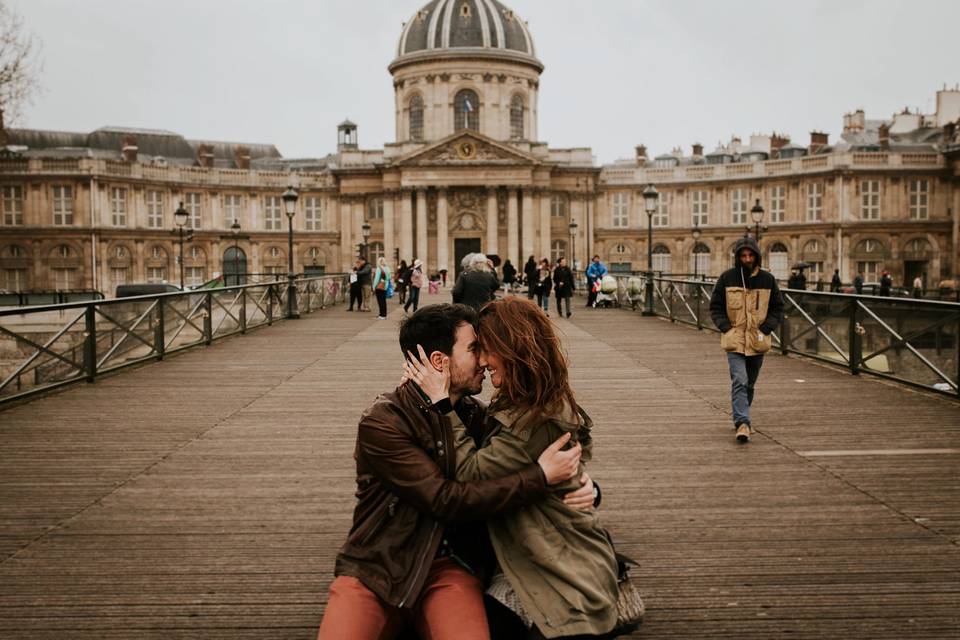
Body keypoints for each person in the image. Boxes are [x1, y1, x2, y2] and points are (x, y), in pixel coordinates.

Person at [316, 304, 594, 640]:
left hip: (450, 566)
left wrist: (584, 485)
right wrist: (540, 478)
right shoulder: (384, 422)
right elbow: (444, 499)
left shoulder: (474, 415)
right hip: (377, 567)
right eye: (475, 348)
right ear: (439, 362)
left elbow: (526, 447)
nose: (484, 360)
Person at [407, 297, 622, 639]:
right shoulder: (525, 397)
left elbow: (472, 473)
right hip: (530, 546)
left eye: (486, 349)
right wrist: (583, 483)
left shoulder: (535, 414)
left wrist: (442, 406)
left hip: (556, 566)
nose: (482, 360)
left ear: (513, 349)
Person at [709, 236, 784, 443]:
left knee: (749, 384)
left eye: (750, 255)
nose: (747, 258)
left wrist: (767, 328)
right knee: (739, 380)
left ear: (756, 256)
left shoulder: (768, 280)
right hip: (735, 340)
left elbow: (778, 307)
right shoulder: (727, 278)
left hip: (758, 340)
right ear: (738, 257)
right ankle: (742, 423)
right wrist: (726, 328)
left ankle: (742, 416)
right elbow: (715, 306)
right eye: (743, 255)